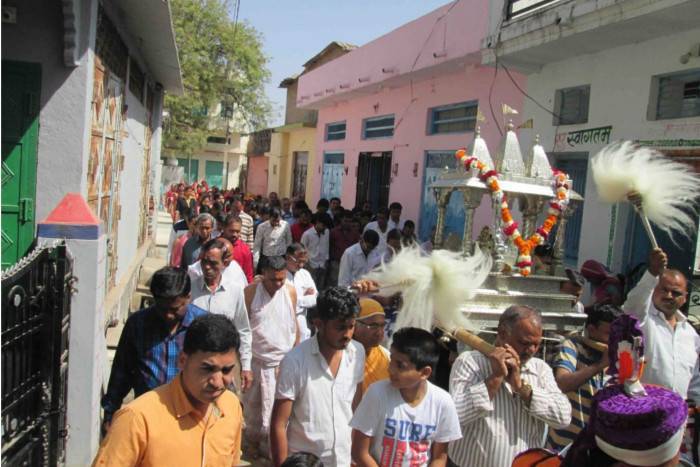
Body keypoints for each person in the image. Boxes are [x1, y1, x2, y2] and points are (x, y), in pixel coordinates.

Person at [93, 314, 244, 466]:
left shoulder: (231, 407)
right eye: (207, 369)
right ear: (182, 361)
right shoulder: (137, 419)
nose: (217, 382)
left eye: (226, 370)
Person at [448, 305, 571, 467]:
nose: (531, 350)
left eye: (536, 344)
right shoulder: (469, 362)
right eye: (524, 343)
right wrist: (495, 378)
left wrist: (522, 388)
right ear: (503, 333)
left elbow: (563, 417)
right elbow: (455, 416)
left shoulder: (540, 369)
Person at [100, 267, 206, 430]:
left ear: (188, 297)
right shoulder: (138, 324)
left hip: (191, 419)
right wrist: (110, 412)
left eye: (175, 309)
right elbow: (122, 371)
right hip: (147, 418)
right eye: (162, 309)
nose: (168, 315)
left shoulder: (203, 326)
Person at [271, 287, 365, 467]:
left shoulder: (357, 352)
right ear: (319, 324)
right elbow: (279, 424)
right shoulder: (294, 361)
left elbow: (356, 408)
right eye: (340, 327)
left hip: (343, 460)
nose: (347, 334)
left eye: (351, 326)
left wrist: (354, 454)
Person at [351, 327, 462, 467]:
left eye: (400, 366)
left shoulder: (443, 402)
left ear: (425, 372)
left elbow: (439, 457)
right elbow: (359, 452)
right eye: (391, 361)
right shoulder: (377, 393)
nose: (390, 369)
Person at [622, 247, 700, 400]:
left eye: (676, 293)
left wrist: (695, 405)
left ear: (684, 298)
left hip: (678, 412)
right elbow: (632, 305)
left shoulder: (691, 335)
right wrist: (652, 273)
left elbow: (694, 380)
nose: (669, 296)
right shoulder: (642, 320)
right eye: (664, 290)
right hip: (642, 408)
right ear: (654, 290)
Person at [243, 255, 299, 458]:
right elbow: (243, 328)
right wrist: (244, 365)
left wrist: (294, 358)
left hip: (282, 363)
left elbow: (294, 326)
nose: (278, 284)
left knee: (279, 412)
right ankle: (251, 445)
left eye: (281, 279)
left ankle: (273, 451)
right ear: (263, 275)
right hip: (256, 361)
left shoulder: (290, 292)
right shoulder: (250, 292)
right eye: (273, 279)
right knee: (253, 409)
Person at [546, 303, 621, 452]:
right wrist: (599, 365)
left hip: (599, 447)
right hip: (565, 445)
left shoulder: (620, 354)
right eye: (609, 334)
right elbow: (562, 383)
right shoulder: (572, 346)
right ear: (592, 329)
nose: (615, 340)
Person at [189, 238, 253, 392]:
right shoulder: (190, 289)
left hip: (224, 369)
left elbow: (243, 330)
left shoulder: (235, 292)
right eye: (204, 262)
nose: (207, 267)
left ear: (225, 264)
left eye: (213, 263)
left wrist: (246, 366)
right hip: (196, 367)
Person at [353, 298, 390, 392]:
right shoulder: (342, 356)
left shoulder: (386, 356)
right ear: (355, 325)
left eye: (382, 326)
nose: (380, 332)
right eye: (373, 326)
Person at [286, 243, 317, 340]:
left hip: (302, 321)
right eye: (298, 261)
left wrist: (296, 300)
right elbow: (284, 302)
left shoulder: (305, 274)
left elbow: (315, 298)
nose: (301, 265)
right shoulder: (279, 275)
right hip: (284, 321)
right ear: (288, 257)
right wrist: (304, 298)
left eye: (304, 262)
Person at [254, 208, 292, 272]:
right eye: (274, 221)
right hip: (267, 259)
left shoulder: (285, 225)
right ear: (269, 217)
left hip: (281, 257)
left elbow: (289, 242)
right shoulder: (261, 227)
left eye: (278, 221)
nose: (276, 223)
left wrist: (287, 258)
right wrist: (255, 262)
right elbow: (257, 246)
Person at [329, 210, 361, 287]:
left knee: (346, 283)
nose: (347, 223)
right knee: (334, 282)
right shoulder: (333, 232)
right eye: (345, 221)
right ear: (341, 220)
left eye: (349, 221)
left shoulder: (355, 233)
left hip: (350, 263)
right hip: (336, 262)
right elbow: (329, 247)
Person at [220, 214, 254, 283]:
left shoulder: (245, 249)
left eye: (237, 231)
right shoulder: (213, 245)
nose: (234, 234)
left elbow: (248, 275)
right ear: (224, 228)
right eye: (231, 231)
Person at [301, 213, 331, 291]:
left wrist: (326, 260)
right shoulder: (307, 234)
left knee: (320, 288)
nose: (324, 228)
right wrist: (307, 263)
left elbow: (326, 246)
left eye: (326, 226)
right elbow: (302, 250)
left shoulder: (326, 232)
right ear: (317, 222)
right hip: (311, 265)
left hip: (322, 265)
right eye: (323, 225)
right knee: (311, 288)